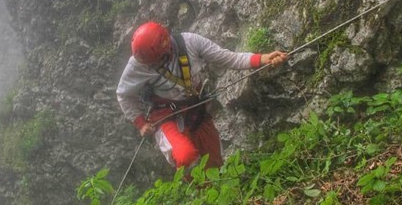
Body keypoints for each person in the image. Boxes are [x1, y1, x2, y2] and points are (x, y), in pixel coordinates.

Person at [116, 21, 288, 170]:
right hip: (166, 115)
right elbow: (124, 94)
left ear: (166, 47)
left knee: (214, 161)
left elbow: (227, 58)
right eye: (150, 63)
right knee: (185, 157)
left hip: (196, 108)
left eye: (157, 61)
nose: (152, 65)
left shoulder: (190, 42)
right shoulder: (138, 65)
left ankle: (215, 197)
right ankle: (197, 196)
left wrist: (262, 59)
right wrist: (140, 123)